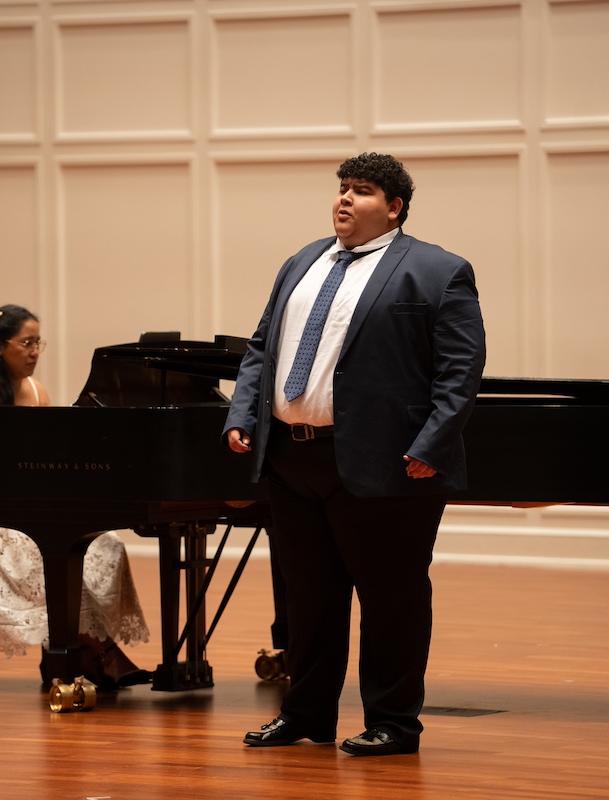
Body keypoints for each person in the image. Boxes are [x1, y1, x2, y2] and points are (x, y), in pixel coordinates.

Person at [224, 153, 486, 755]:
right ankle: (306, 714)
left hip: (389, 463)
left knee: (391, 598)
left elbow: (460, 370)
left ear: (393, 207)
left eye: (361, 191)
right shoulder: (302, 261)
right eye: (341, 189)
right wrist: (243, 414)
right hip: (294, 460)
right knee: (309, 597)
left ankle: (394, 722)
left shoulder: (437, 270)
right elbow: (262, 346)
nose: (344, 199)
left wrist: (433, 444)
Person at [0, 304, 152, 689]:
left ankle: (80, 653)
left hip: (23, 496)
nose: (34, 351)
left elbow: (51, 451)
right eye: (26, 342)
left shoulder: (36, 390)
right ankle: (92, 655)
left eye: (38, 343)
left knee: (104, 546)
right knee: (39, 551)